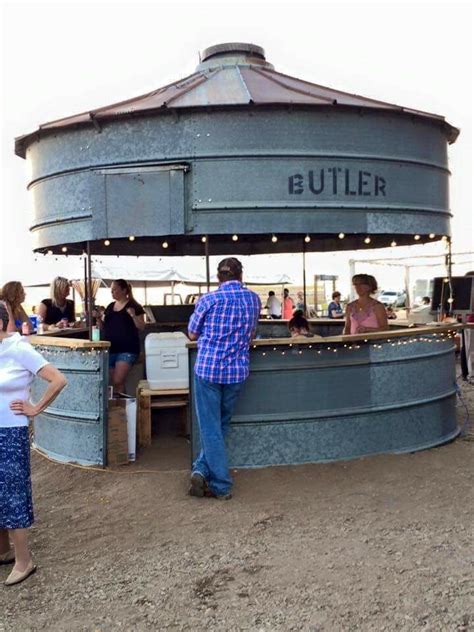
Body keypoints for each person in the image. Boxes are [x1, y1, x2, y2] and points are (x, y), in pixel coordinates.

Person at [0, 312, 67, 586]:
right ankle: (3, 550)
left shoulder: (19, 349)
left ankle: (24, 560)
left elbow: (58, 379)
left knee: (13, 493)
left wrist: (35, 407)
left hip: (10, 431)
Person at [188, 258, 261, 500]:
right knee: (220, 425)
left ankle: (221, 485)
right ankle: (200, 470)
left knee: (210, 427)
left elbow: (192, 332)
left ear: (218, 276)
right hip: (237, 372)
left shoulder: (208, 300)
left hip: (208, 370)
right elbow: (251, 333)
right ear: (241, 275)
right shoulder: (253, 299)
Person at [96, 279, 145, 395]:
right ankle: (120, 405)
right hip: (111, 348)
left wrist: (133, 315)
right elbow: (104, 327)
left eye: (114, 290)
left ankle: (121, 405)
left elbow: (142, 326)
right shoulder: (110, 306)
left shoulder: (134, 306)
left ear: (124, 290)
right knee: (114, 382)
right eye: (111, 290)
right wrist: (98, 318)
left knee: (118, 380)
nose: (112, 292)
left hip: (127, 349)